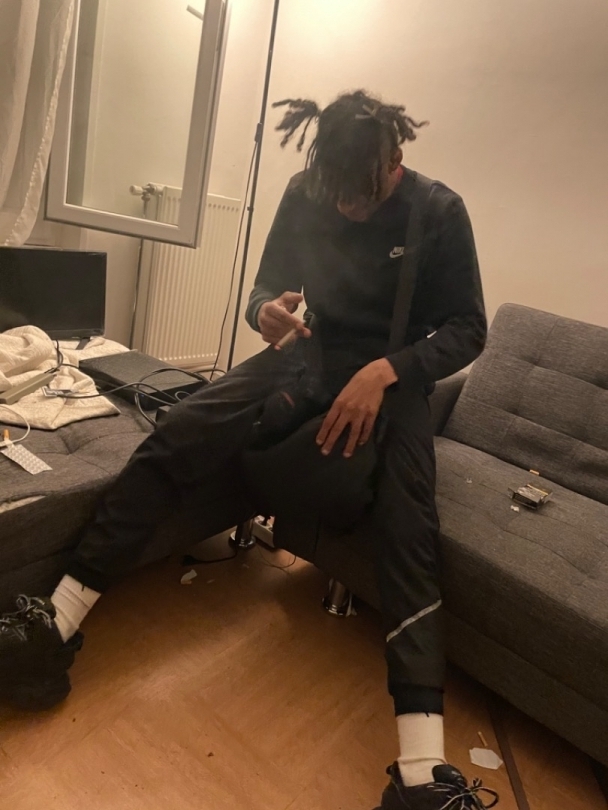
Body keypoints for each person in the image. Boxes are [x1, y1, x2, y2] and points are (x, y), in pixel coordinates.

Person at [0, 90, 498, 810]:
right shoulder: (308, 189)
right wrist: (263, 310)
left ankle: (422, 774)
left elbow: (468, 329)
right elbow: (264, 285)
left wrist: (388, 371)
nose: (346, 209)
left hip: (393, 379)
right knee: (177, 434)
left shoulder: (439, 212)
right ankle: (56, 624)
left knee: (410, 527)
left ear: (396, 160)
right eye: (335, 193)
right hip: (305, 353)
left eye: (359, 197)